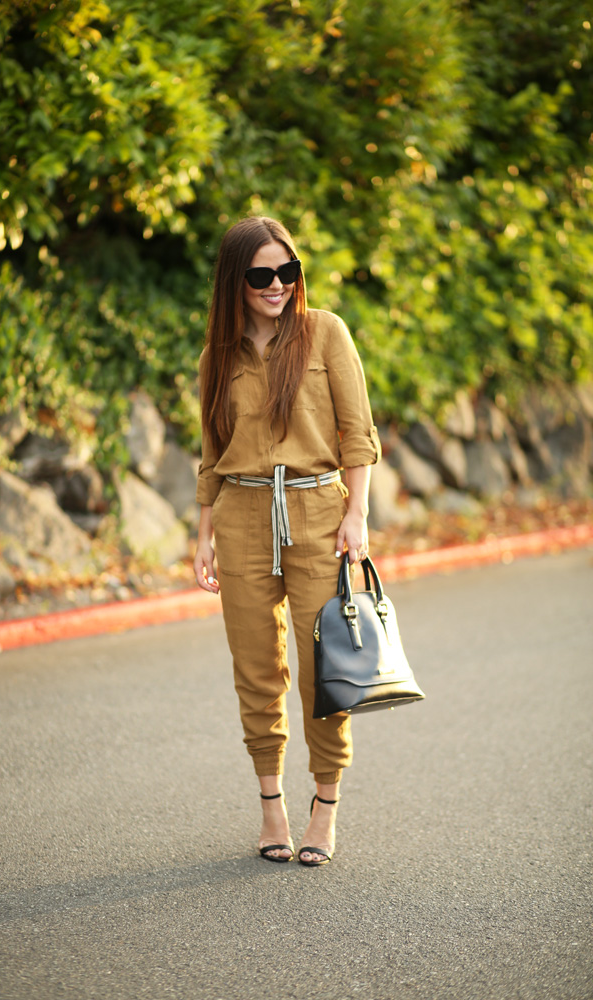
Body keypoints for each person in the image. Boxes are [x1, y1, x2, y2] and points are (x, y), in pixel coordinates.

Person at [194, 216, 380, 866]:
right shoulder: (217, 356)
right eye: (261, 275)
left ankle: (324, 809)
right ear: (235, 283)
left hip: (319, 512)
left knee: (324, 672)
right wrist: (204, 535)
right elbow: (211, 455)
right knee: (256, 670)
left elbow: (358, 435)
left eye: (287, 271)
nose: (278, 285)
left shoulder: (325, 333)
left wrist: (357, 514)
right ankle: (272, 806)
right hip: (242, 512)